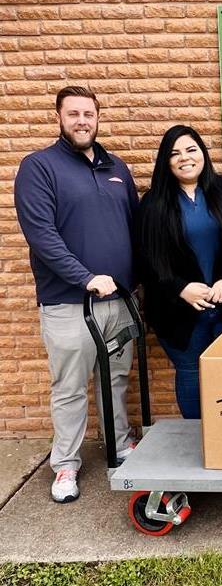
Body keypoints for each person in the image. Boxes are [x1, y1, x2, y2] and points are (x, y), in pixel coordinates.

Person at [14, 86, 139, 504]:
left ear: (98, 116)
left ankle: (119, 445)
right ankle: (65, 463)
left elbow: (134, 229)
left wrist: (135, 280)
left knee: (115, 380)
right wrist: (85, 277)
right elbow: (41, 236)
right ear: (60, 117)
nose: (82, 120)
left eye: (89, 113)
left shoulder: (117, 167)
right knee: (69, 386)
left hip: (119, 301)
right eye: (73, 114)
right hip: (70, 304)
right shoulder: (39, 167)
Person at [137, 125, 222, 419]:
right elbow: (146, 258)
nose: (185, 158)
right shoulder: (153, 204)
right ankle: (200, 441)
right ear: (165, 161)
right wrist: (179, 288)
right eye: (175, 153)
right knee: (191, 373)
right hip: (180, 312)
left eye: (191, 149)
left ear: (203, 153)